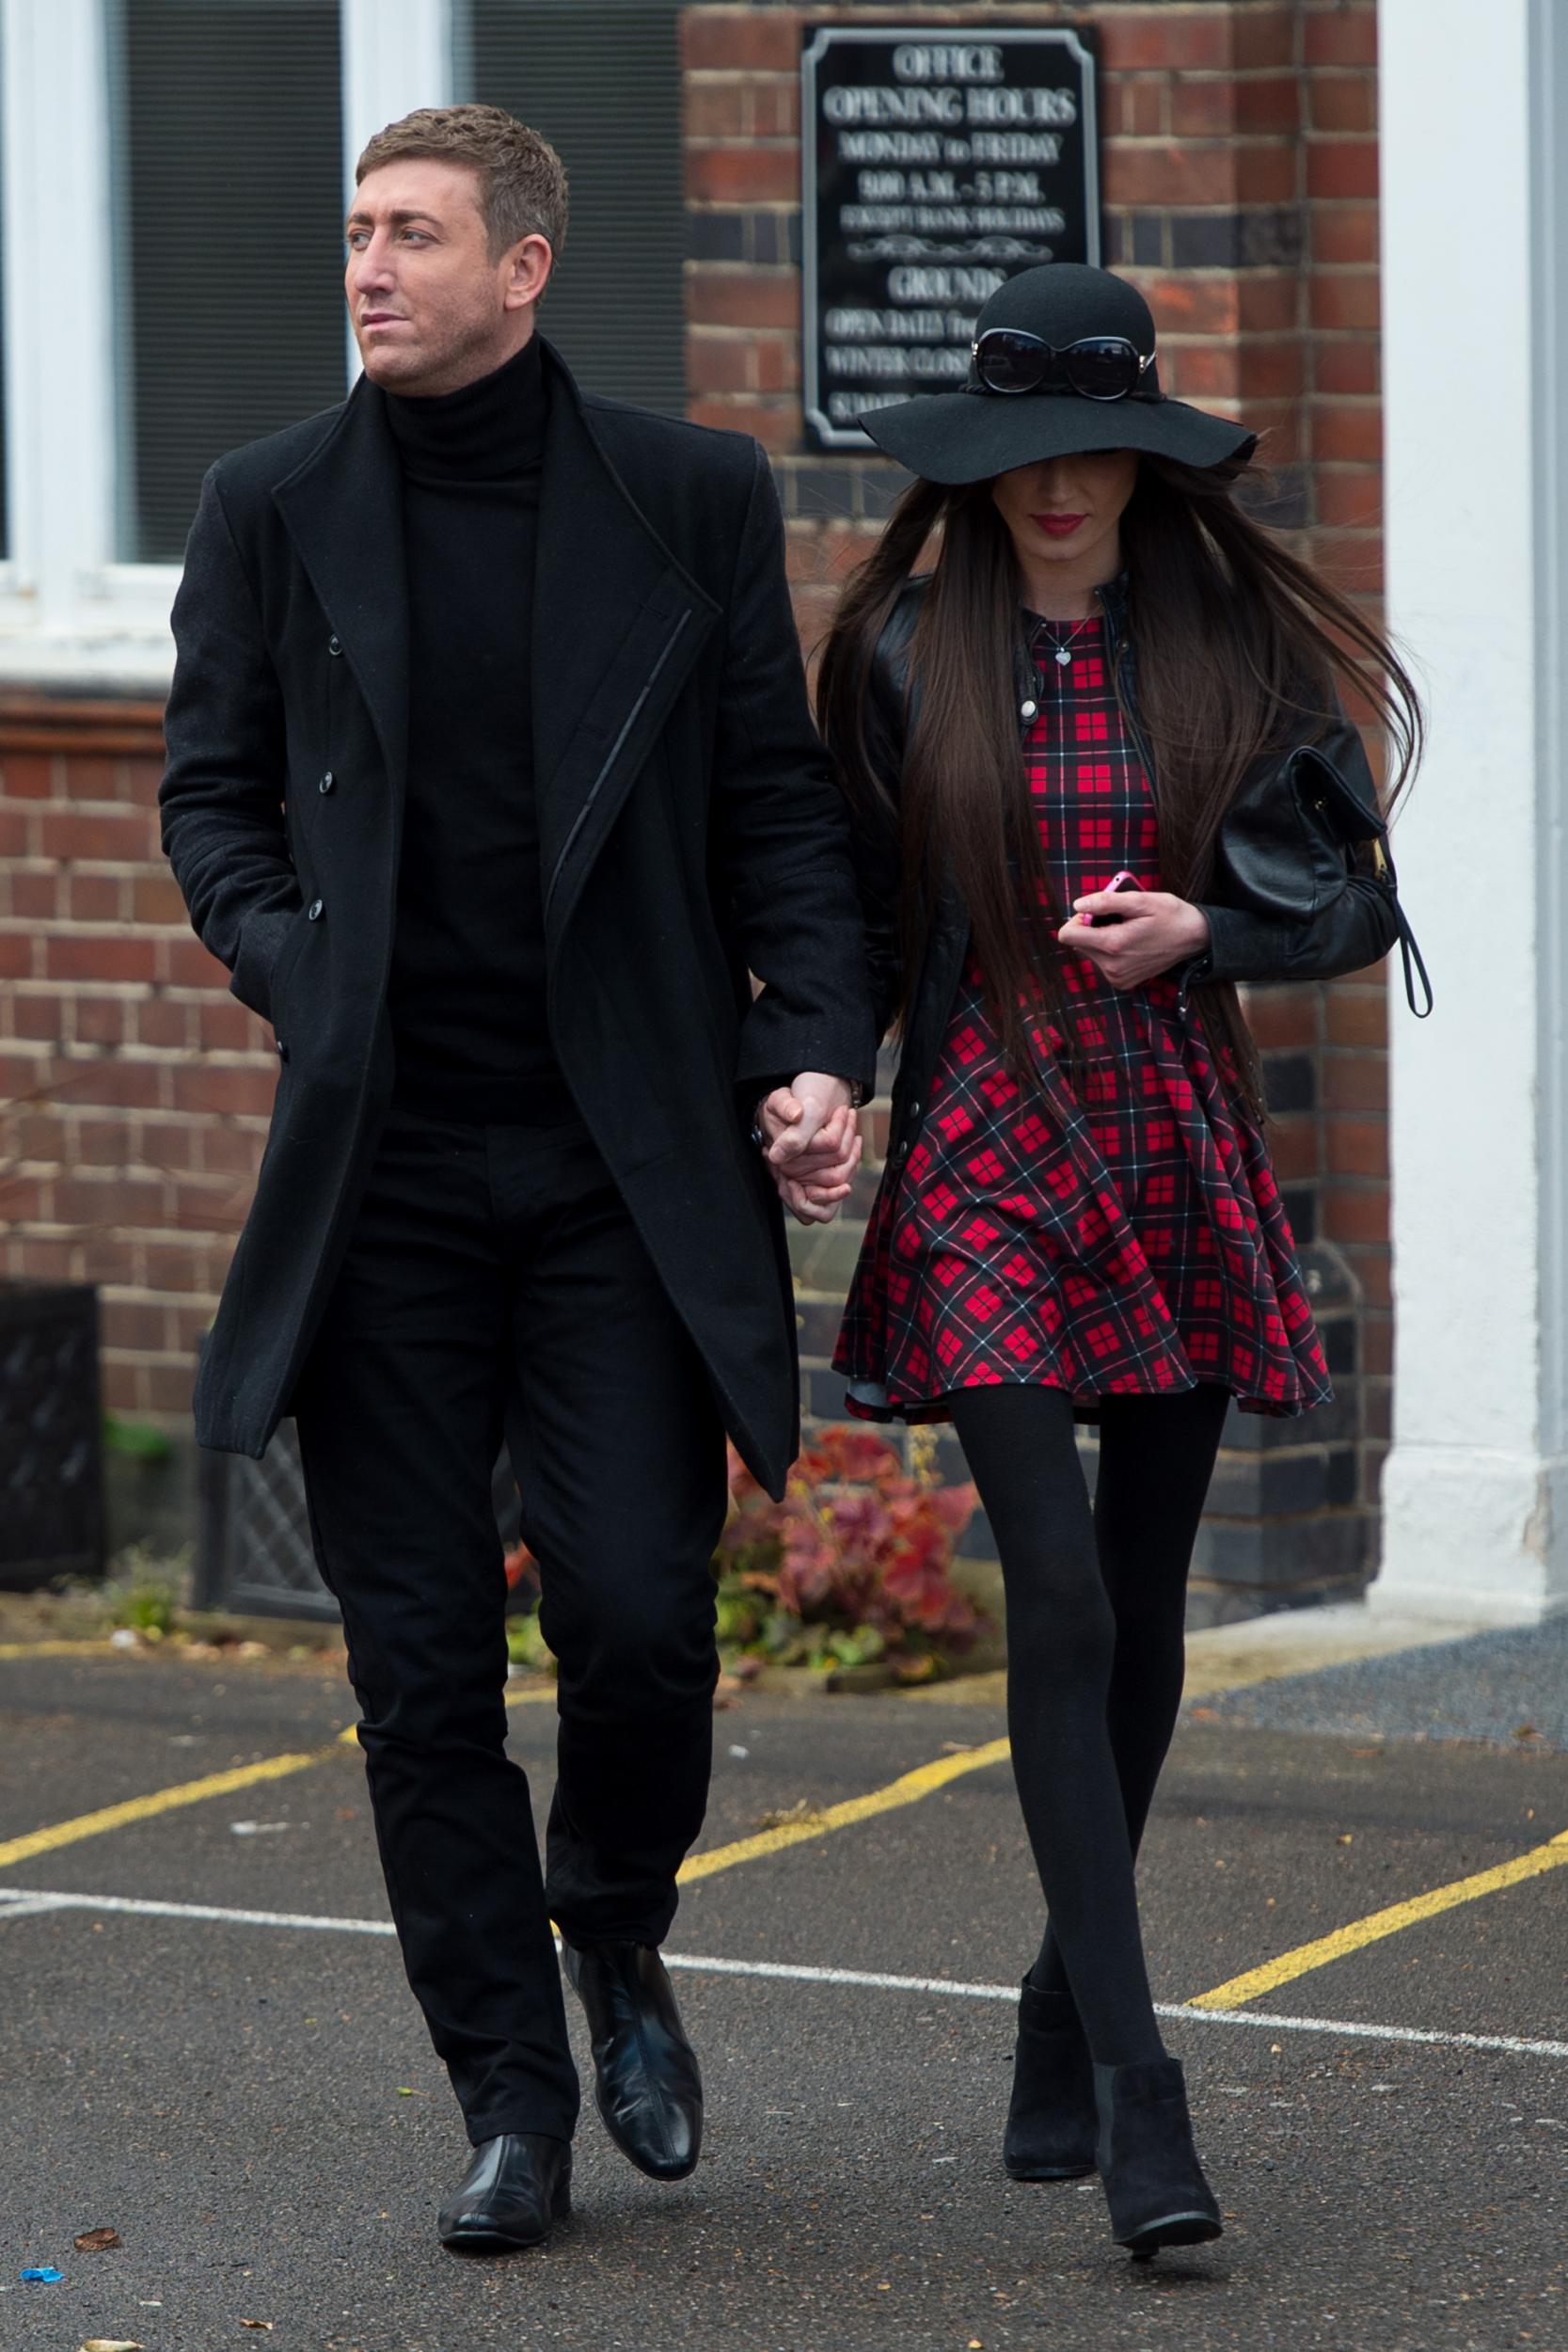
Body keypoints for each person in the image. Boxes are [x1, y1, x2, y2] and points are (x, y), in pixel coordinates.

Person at [159, 103, 874, 2252]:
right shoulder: (268, 504)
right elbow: (212, 807)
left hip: (616, 1170)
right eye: (356, 230)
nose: (368, 268)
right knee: (420, 1670)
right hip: (381, 1176)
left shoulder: (686, 495)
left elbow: (782, 810)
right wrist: (309, 974)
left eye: (412, 234)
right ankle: (509, 2092)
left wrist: (817, 1046)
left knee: (647, 1623)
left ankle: (615, 1924)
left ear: (526, 265)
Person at [813, 264, 1423, 2258]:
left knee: (1146, 1606)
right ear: (970, 472)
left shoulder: (1226, 640)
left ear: (1144, 457)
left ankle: (1057, 1996)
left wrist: (1207, 938)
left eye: (1090, 450)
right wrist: (812, 1082)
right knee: (1057, 1598)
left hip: (1169, 1127)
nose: (1056, 485)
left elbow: (1349, 902)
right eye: (1017, 457)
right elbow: (832, 902)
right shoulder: (902, 646)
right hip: (989, 1135)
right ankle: (1144, 2085)